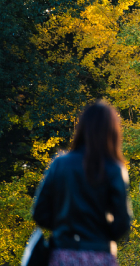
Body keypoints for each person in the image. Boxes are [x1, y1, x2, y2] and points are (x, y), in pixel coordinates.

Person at [33, 101, 132, 266]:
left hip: (62, 252)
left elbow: (40, 213)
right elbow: (122, 222)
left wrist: (62, 229)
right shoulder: (114, 169)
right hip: (99, 254)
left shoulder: (60, 164)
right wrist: (101, 235)